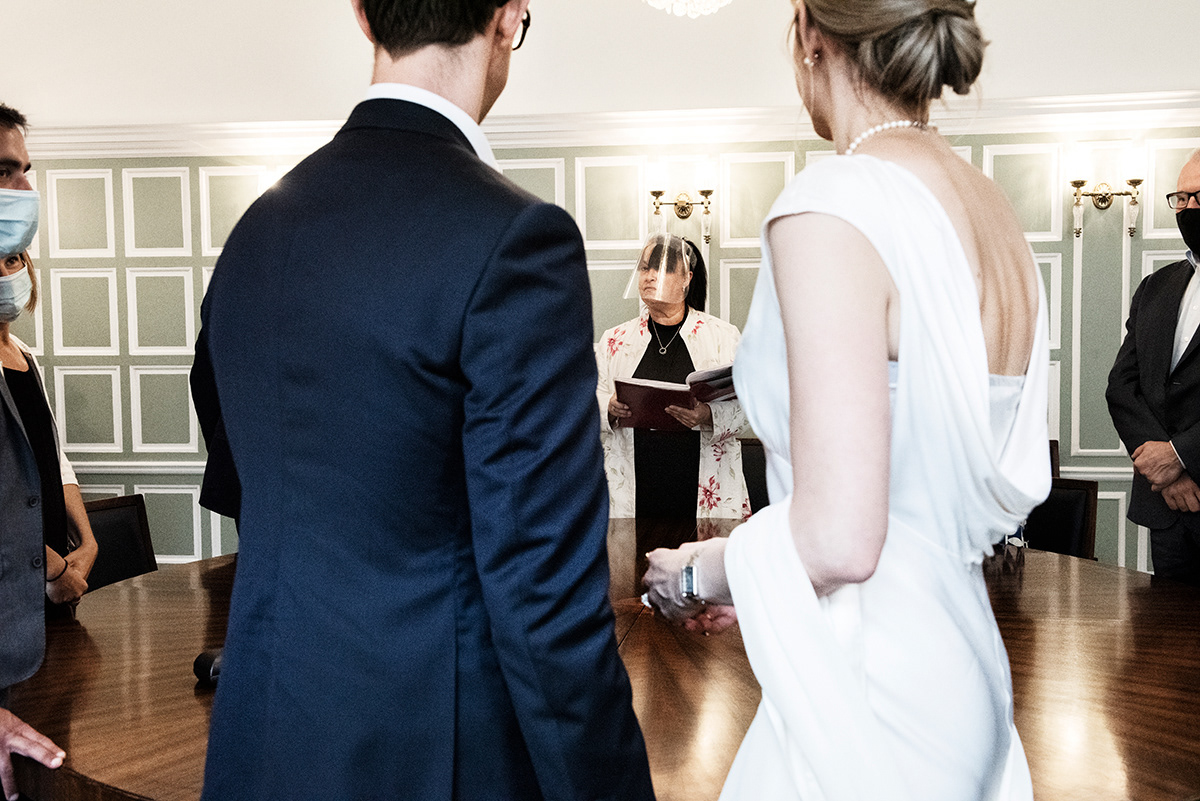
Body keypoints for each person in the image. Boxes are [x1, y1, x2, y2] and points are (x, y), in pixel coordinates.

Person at [196, 2, 654, 799]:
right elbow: (544, 592)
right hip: (432, 752)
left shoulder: (255, 232)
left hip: (261, 740)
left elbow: (237, 483)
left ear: (364, 15)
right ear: (508, 20)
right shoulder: (517, 239)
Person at [642, 1, 1051, 798]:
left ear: (808, 35)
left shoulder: (834, 204)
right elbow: (889, 504)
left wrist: (696, 573)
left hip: (872, 692)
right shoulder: (991, 207)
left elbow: (839, 539)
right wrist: (770, 583)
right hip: (965, 674)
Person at [1, 103, 89, 799]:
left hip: (32, 656)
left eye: (25, 170)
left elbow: (46, 468)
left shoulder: (22, 355)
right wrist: (51, 564)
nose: (24, 191)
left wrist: (78, 547)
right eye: (4, 171)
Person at [598, 233, 750, 519]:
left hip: (705, 489)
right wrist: (608, 406)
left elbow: (753, 408)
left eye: (664, 268)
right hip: (631, 492)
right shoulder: (614, 339)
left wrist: (706, 415)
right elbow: (581, 404)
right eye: (645, 268)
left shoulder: (722, 337)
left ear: (686, 278)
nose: (651, 276)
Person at [1107, 149, 1200, 585]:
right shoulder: (1156, 286)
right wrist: (1163, 473)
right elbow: (1122, 386)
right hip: (1165, 507)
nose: (1189, 209)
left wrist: (1181, 456)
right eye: (1181, 199)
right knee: (1165, 648)